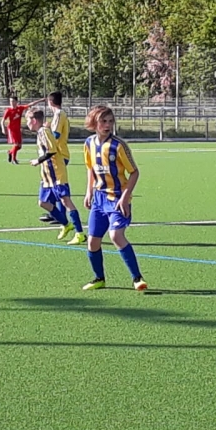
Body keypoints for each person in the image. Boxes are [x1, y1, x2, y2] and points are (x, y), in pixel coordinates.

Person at [82, 106, 147, 291]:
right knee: (92, 241)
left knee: (116, 235)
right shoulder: (89, 143)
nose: (108, 125)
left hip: (117, 199)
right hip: (99, 199)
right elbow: (90, 168)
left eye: (110, 121)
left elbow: (134, 172)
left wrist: (125, 198)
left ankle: (137, 278)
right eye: (103, 121)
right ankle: (99, 278)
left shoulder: (118, 145)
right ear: (94, 122)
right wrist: (89, 192)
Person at [27, 110, 86, 244]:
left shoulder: (44, 131)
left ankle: (80, 233)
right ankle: (66, 224)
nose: (27, 123)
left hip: (57, 173)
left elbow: (52, 150)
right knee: (43, 202)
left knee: (66, 201)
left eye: (28, 120)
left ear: (34, 120)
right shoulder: (41, 132)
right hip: (47, 176)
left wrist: (37, 161)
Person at [1, 95, 44, 164]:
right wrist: (3, 128)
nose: (12, 103)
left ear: (16, 102)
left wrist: (41, 100)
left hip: (18, 129)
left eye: (13, 101)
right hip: (12, 129)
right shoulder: (8, 110)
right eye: (10, 101)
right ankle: (14, 159)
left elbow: (30, 104)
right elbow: (2, 120)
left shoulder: (20, 108)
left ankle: (10, 152)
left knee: (19, 146)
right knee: (16, 144)